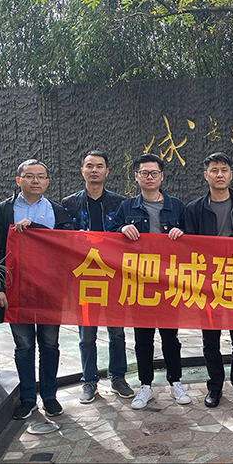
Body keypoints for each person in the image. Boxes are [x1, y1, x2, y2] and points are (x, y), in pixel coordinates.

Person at [0, 159, 74, 420]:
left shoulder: (57, 211)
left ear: (47, 181)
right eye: (29, 176)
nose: (36, 180)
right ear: (18, 180)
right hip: (16, 291)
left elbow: (69, 246)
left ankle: (50, 396)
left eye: (41, 176)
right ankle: (27, 398)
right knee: (23, 345)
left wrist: (35, 229)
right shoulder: (4, 210)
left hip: (49, 292)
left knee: (50, 343)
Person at [109, 153, 190, 410]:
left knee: (170, 336)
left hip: (169, 281)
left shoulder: (177, 206)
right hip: (139, 281)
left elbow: (194, 239)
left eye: (154, 173)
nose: (150, 177)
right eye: (144, 173)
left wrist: (183, 233)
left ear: (162, 176)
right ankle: (145, 385)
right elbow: (108, 237)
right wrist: (121, 229)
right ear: (136, 176)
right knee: (143, 337)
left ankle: (175, 382)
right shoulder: (127, 208)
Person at [61, 150, 133, 404]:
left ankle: (118, 378)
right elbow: (61, 238)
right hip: (85, 277)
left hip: (113, 277)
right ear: (82, 170)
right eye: (89, 166)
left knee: (117, 332)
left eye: (99, 166)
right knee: (87, 334)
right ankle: (89, 381)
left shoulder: (119, 203)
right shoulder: (69, 204)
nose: (94, 170)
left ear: (107, 171)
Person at [184, 152, 233, 407]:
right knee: (210, 340)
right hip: (207, 284)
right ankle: (214, 387)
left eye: (224, 170)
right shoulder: (194, 209)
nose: (219, 175)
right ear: (206, 175)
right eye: (214, 170)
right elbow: (188, 248)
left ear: (231, 174)